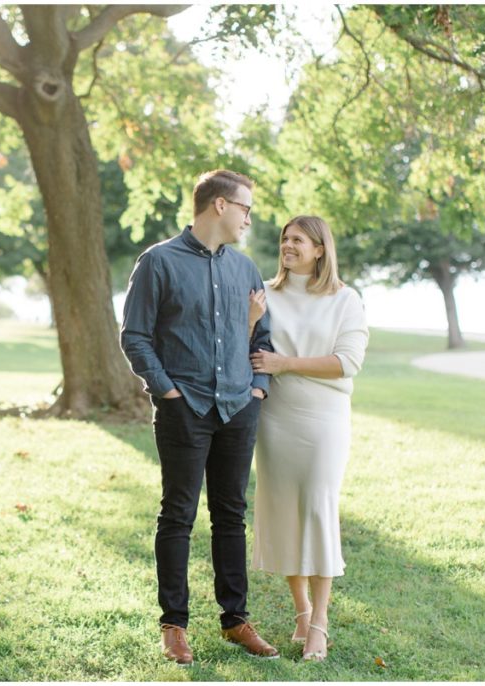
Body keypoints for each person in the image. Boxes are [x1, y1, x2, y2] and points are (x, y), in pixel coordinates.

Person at [120, 170, 279, 666]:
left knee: (230, 514)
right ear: (219, 206)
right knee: (178, 515)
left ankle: (235, 620)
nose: (249, 218)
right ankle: (174, 626)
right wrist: (166, 390)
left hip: (238, 406)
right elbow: (135, 335)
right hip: (183, 408)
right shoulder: (158, 262)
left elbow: (262, 338)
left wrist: (258, 388)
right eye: (245, 208)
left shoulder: (246, 270)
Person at [247, 215, 369, 662]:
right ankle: (301, 612)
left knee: (317, 512)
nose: (288, 245)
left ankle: (320, 623)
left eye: (298, 240)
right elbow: (245, 349)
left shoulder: (345, 299)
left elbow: (347, 362)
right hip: (274, 418)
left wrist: (286, 364)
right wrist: (250, 319)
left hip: (323, 419)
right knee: (283, 513)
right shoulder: (264, 292)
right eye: (284, 239)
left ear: (320, 249)